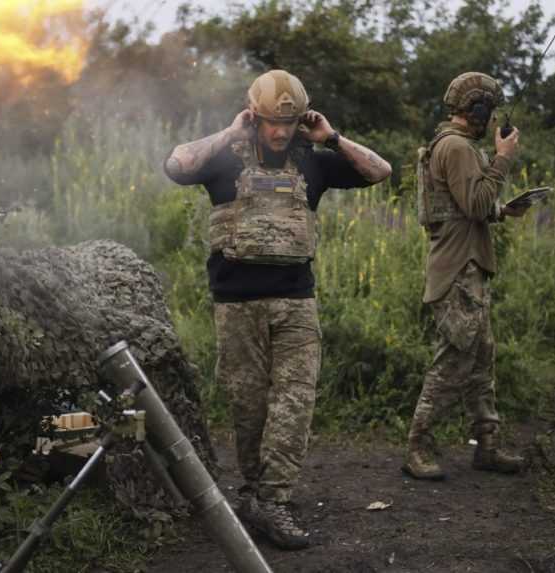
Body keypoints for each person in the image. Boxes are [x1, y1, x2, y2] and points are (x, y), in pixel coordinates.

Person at [164, 69, 391, 549]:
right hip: (237, 306)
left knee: (294, 402)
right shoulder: (226, 159)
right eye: (270, 122)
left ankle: (274, 500)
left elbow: (380, 171)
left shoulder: (313, 161)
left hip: (295, 303)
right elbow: (176, 165)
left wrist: (331, 137)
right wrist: (230, 131)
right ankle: (253, 495)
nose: (280, 132)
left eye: (288, 124)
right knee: (248, 409)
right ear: (255, 115)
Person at [404, 71, 530, 481]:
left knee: (480, 360)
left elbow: (464, 206)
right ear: (475, 109)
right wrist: (503, 159)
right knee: (454, 360)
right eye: (488, 111)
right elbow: (475, 204)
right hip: (458, 271)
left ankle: (487, 444)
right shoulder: (457, 147)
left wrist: (503, 210)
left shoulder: (454, 146)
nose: (491, 119)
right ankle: (418, 446)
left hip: (467, 267)